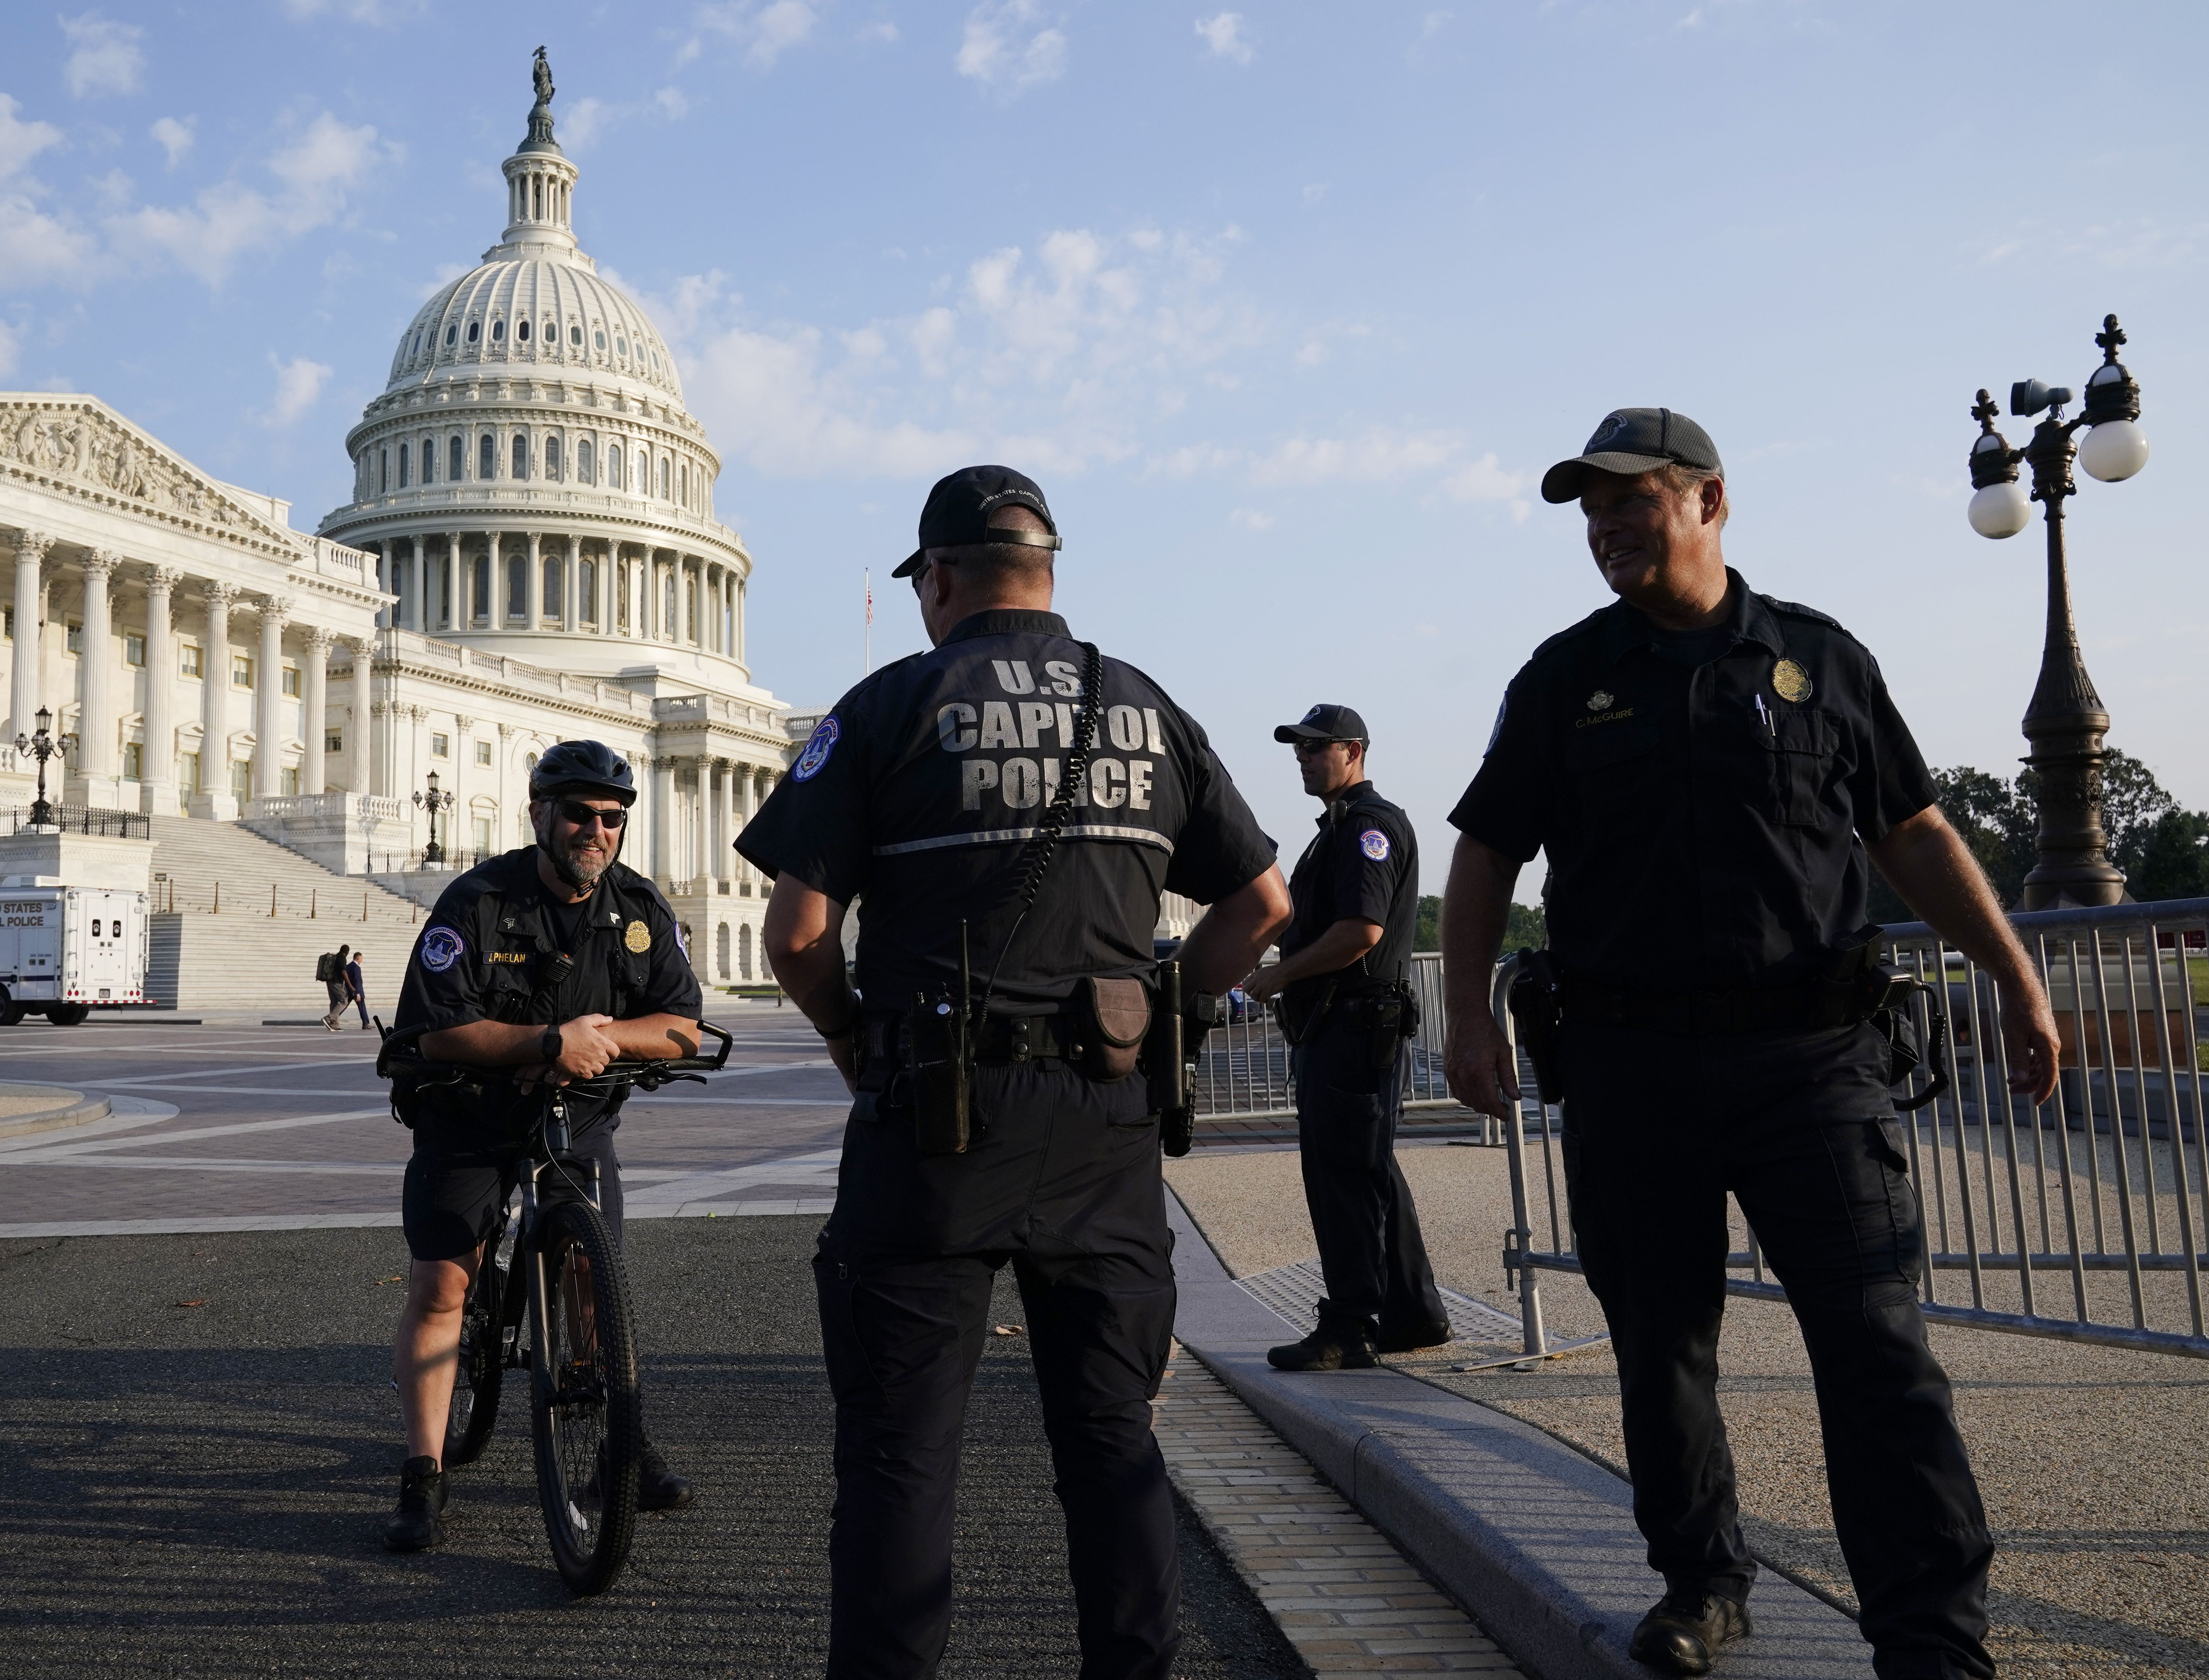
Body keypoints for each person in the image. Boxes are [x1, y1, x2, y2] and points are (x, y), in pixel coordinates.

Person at [1440, 408, 2061, 1680]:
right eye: (1589, 509)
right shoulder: (1561, 680)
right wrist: (1460, 1013)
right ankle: (1701, 1581)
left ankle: (1931, 1641)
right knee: (1660, 1349)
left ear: (1709, 500)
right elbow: (1486, 850)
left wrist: (2013, 971)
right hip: (1628, 1067)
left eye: (1632, 500)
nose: (1607, 526)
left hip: (1814, 1064)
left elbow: (1913, 833)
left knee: (1877, 1350)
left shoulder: (1820, 662)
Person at [740, 465, 1290, 1680]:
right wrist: (1169, 1015)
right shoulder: (1142, 704)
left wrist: (850, 1038)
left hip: (935, 1117)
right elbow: (1263, 904)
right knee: (1113, 1443)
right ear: (1049, 569)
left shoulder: (893, 703)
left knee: (900, 1456)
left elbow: (792, 936)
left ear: (938, 578)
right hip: (1105, 1117)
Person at [381, 739, 703, 1552]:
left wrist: (600, 1038)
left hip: (579, 1112)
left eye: (612, 817)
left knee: (596, 1280)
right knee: (441, 1286)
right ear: (540, 816)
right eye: (579, 815)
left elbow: (684, 1026)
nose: (596, 830)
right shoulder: (479, 900)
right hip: (470, 1113)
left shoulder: (636, 908)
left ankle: (613, 1444)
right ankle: (424, 1468)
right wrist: (545, 1040)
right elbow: (440, 1030)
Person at [1241, 704, 1449, 1370]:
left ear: (1354, 750)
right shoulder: (1335, 830)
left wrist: (1278, 978)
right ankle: (1412, 1311)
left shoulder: (1367, 828)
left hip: (1355, 1026)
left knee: (1344, 1178)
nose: (1303, 758)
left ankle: (1351, 1327)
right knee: (1369, 1169)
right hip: (1348, 1026)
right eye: (1298, 750)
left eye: (1316, 748)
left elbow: (1361, 931)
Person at [322, 940, 354, 1032]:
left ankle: (334, 1025)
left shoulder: (335, 957)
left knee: (334, 1001)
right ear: (347, 952)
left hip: (330, 982)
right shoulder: (342, 958)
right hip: (337, 982)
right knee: (344, 1001)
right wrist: (350, 985)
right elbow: (344, 972)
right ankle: (329, 1018)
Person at [347, 950, 375, 1030]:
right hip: (357, 992)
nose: (362, 961)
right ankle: (366, 1024)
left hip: (349, 991)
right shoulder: (357, 968)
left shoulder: (348, 967)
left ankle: (333, 1019)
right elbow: (357, 981)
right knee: (362, 1007)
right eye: (361, 959)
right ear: (358, 958)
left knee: (343, 1006)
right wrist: (358, 993)